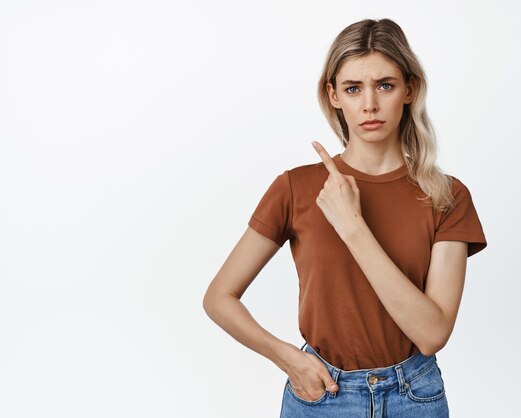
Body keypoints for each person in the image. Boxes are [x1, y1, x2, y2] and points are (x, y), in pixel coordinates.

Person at [203, 17, 487, 418]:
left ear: (410, 90)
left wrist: (353, 226)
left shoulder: (446, 195)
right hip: (321, 394)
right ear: (333, 95)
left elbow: (431, 333)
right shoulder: (296, 187)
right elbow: (219, 297)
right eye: (353, 88)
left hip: (414, 397)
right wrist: (288, 358)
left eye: (384, 85)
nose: (369, 104)